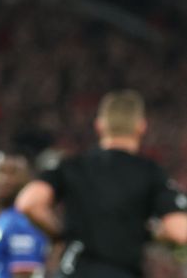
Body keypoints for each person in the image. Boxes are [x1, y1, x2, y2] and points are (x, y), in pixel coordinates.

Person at [16, 90, 187, 278]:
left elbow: (28, 203)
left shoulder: (74, 165)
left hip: (73, 270)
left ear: (99, 126)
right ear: (141, 127)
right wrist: (150, 234)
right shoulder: (150, 173)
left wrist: (60, 235)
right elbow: (179, 230)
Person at [0, 149, 48, 278]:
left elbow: (25, 275)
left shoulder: (23, 221)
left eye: (12, 172)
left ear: (27, 177)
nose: (3, 179)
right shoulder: (7, 218)